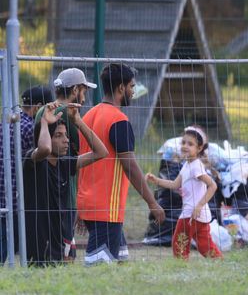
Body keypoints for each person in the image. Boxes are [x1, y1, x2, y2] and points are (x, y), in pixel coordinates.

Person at [77, 63, 165, 265]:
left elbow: (81, 163)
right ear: (120, 88)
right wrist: (152, 203)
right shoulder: (118, 120)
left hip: (89, 204)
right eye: (132, 86)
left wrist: (80, 207)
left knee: (120, 263)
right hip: (107, 208)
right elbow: (130, 167)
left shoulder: (88, 116)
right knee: (97, 270)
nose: (133, 92)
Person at [24, 101, 108, 266]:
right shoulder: (32, 160)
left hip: (58, 240)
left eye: (66, 135)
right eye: (58, 135)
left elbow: (101, 152)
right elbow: (45, 150)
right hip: (38, 243)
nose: (66, 140)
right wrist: (44, 123)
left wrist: (77, 121)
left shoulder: (64, 164)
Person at [35, 68, 97, 260]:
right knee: (65, 253)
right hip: (63, 195)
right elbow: (80, 158)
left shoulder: (43, 111)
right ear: (76, 89)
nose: (84, 96)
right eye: (84, 90)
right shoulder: (67, 114)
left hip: (44, 193)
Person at [146, 125, 223, 259]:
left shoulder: (196, 167)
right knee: (205, 245)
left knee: (179, 242)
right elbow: (175, 184)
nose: (185, 146)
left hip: (192, 213)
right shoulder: (187, 165)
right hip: (198, 214)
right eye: (183, 142)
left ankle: (181, 264)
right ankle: (218, 261)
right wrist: (156, 180)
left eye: (190, 144)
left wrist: (199, 206)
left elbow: (213, 185)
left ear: (199, 149)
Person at [0, 86, 53, 265]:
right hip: (16, 199)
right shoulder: (31, 127)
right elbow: (43, 152)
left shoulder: (5, 124)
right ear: (38, 108)